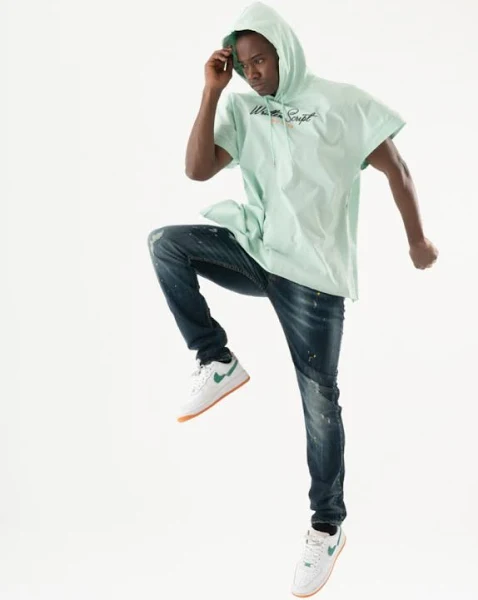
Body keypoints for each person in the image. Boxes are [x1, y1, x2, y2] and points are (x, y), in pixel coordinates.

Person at [148, 2, 438, 597]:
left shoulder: (342, 103)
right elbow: (198, 170)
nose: (253, 73)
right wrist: (212, 91)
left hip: (314, 277)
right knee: (166, 245)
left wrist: (417, 240)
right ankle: (215, 359)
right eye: (244, 64)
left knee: (319, 399)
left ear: (285, 52)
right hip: (258, 251)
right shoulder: (242, 105)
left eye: (261, 60)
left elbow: (398, 171)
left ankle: (326, 525)